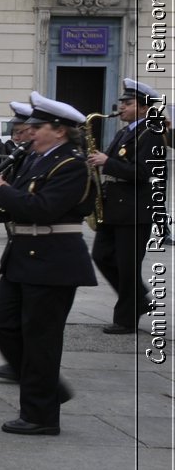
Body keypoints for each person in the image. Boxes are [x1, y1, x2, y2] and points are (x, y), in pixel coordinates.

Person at [0, 93, 97, 435]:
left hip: (54, 260)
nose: (29, 133)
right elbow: (14, 207)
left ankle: (41, 416)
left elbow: (41, 208)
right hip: (24, 256)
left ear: (59, 131)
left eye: (37, 127)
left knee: (41, 338)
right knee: (0, 320)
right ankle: (48, 389)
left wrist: (2, 188)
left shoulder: (71, 164)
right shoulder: (36, 158)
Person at [90, 78, 168, 334]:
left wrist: (106, 162)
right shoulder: (126, 131)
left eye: (128, 102)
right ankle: (139, 299)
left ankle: (126, 319)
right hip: (114, 207)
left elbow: (145, 172)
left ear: (145, 108)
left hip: (135, 209)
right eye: (121, 102)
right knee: (101, 256)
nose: (120, 106)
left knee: (127, 266)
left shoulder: (152, 132)